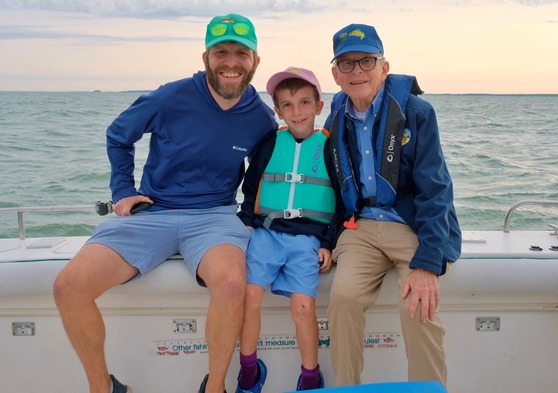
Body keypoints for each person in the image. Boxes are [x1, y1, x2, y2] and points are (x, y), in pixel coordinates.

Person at [52, 13, 278, 393]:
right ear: (206, 57)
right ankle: (102, 387)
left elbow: (259, 177)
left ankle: (216, 387)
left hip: (214, 217)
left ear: (256, 60)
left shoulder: (261, 118)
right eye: (221, 52)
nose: (231, 62)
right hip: (152, 213)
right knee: (68, 286)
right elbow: (119, 135)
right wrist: (122, 191)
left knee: (232, 283)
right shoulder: (171, 96)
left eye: (241, 53)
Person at [323, 23, 462, 387]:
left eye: (366, 61)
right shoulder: (335, 117)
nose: (358, 72)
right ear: (335, 74)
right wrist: (322, 240)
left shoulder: (417, 112)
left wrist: (429, 262)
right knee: (343, 298)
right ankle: (346, 387)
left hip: (409, 224)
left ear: (384, 67)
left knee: (418, 306)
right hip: (361, 229)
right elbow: (333, 191)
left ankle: (428, 389)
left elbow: (436, 190)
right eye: (347, 64)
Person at [235, 67, 343, 392]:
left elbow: (341, 201)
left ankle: (310, 377)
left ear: (319, 106)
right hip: (265, 232)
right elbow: (251, 189)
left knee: (303, 307)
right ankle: (249, 370)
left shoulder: (330, 148)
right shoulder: (270, 143)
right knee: (249, 296)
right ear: (278, 109)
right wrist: (247, 228)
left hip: (308, 240)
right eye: (288, 105)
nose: (296, 112)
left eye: (304, 103)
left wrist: (328, 242)